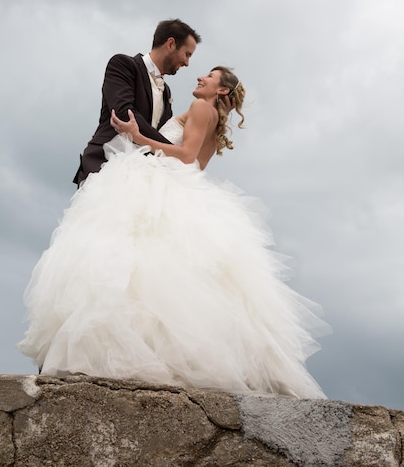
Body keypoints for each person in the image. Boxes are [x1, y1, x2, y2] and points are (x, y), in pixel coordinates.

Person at [18, 66, 328, 398]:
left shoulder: (199, 108)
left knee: (129, 262)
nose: (200, 78)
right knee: (169, 274)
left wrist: (138, 137)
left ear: (221, 91)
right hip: (179, 185)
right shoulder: (214, 120)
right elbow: (198, 165)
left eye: (209, 77)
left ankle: (125, 356)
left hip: (160, 180)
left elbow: (185, 156)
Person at [73, 18, 201, 186]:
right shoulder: (123, 64)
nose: (187, 63)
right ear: (170, 44)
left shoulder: (166, 92)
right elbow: (124, 114)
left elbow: (160, 131)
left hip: (142, 175)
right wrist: (175, 151)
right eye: (187, 54)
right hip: (106, 164)